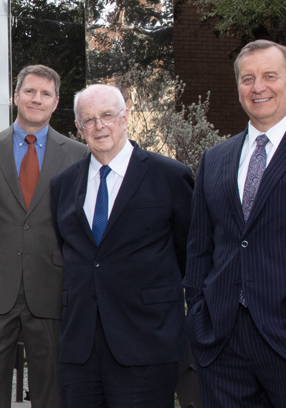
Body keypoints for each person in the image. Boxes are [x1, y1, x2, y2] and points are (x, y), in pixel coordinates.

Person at [49, 84, 193, 407]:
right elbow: (76, 256)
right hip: (80, 350)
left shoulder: (169, 177)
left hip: (146, 345)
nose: (99, 126)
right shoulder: (62, 185)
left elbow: (190, 256)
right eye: (89, 119)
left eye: (107, 115)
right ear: (78, 128)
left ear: (125, 118)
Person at [0, 65, 87, 408]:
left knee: (52, 386)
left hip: (53, 285)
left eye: (45, 94)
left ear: (56, 103)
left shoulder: (77, 155)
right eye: (29, 91)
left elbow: (82, 227)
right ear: (16, 96)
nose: (36, 99)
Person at [187, 39, 286, 407]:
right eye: (248, 78)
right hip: (221, 341)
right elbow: (199, 247)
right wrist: (200, 317)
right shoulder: (215, 159)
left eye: (270, 76)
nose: (258, 87)